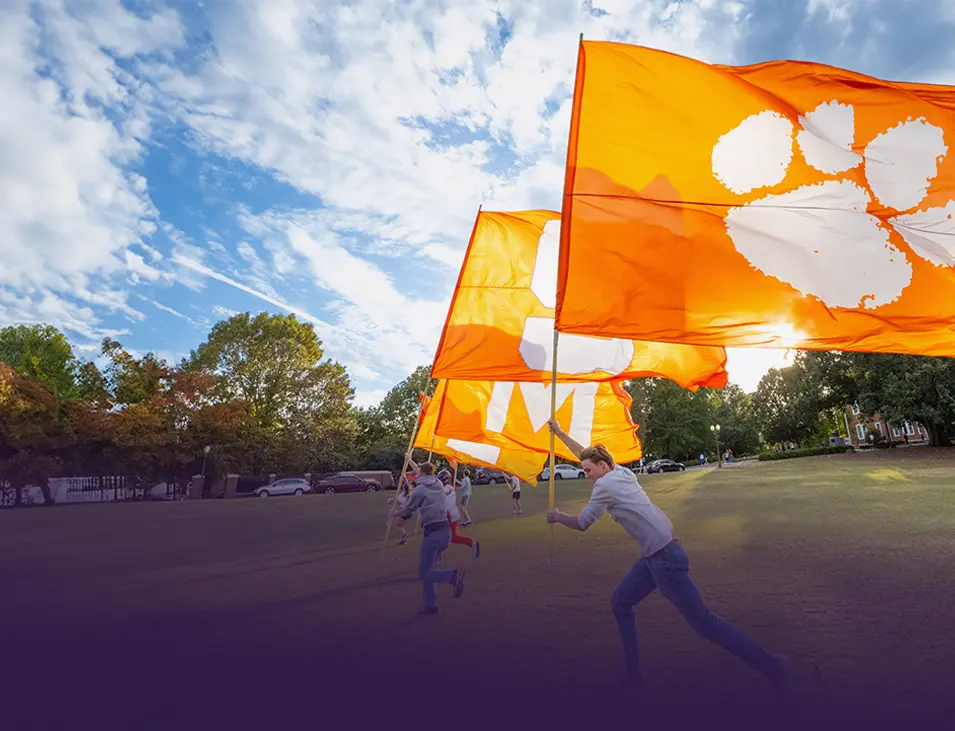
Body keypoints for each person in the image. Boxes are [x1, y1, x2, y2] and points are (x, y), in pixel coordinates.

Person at [544, 419, 789, 702]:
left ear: (601, 465)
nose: (586, 476)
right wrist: (561, 433)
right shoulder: (621, 473)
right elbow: (584, 454)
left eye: (588, 471)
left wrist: (559, 517)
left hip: (665, 562)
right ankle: (633, 674)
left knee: (705, 623)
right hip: (656, 557)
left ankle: (772, 666)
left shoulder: (604, 486)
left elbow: (585, 522)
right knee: (620, 601)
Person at [397, 457, 466, 615]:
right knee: (430, 570)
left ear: (420, 473)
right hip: (445, 533)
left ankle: (452, 576)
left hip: (433, 535)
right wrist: (410, 460)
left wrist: (394, 513)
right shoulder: (438, 484)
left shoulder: (420, 490)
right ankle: (430, 606)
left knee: (424, 573)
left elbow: (408, 510)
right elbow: (422, 472)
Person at [440, 469, 480, 558]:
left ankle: (437, 555)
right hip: (453, 515)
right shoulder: (450, 488)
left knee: (439, 535)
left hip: (448, 516)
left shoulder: (443, 489)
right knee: (452, 537)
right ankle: (472, 543)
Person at [387, 480, 412, 545]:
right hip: (407, 513)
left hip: (404, 512)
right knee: (399, 525)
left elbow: (397, 501)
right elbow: (396, 501)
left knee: (392, 513)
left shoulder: (405, 496)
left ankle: (389, 521)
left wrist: (391, 501)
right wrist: (392, 500)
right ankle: (404, 539)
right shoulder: (407, 495)